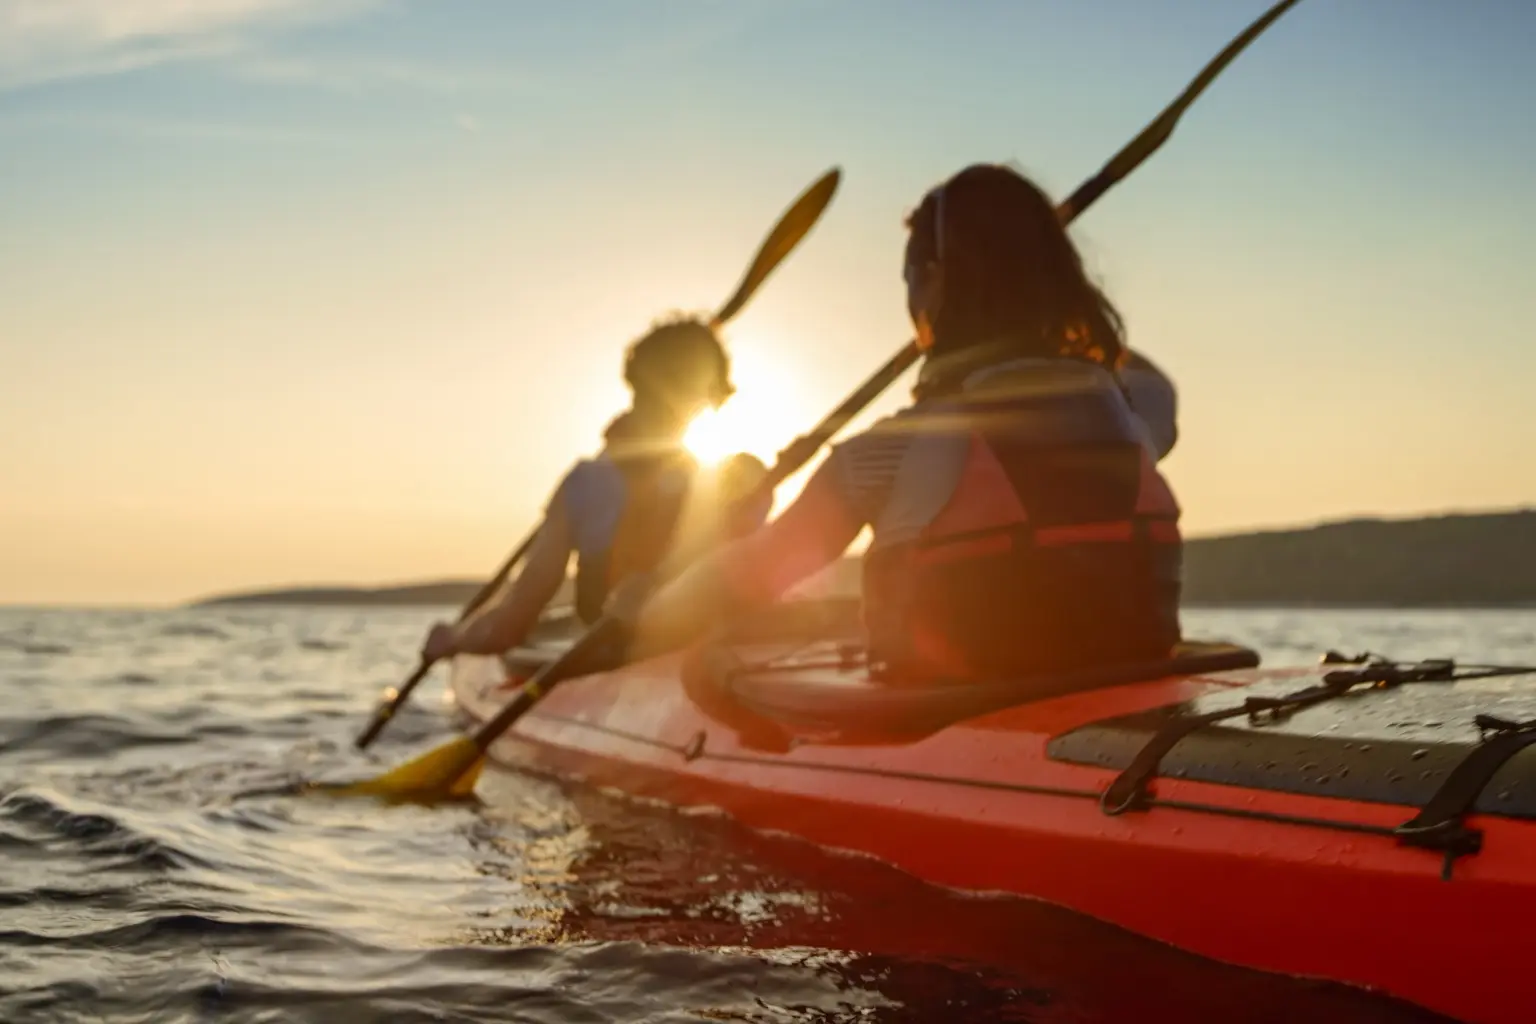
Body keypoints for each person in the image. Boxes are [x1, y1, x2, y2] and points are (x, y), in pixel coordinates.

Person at [627, 164, 1183, 682]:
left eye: (909, 278)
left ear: (934, 283)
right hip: (1119, 676)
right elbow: (1151, 381)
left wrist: (646, 608)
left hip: (959, 702)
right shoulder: (1126, 415)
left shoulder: (889, 455)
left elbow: (747, 575)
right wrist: (1053, 299)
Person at [421, 316, 769, 662]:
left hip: (637, 657)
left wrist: (454, 638)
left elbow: (510, 625)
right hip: (688, 659)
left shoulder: (584, 485)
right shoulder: (738, 481)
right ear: (711, 398)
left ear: (635, 383)